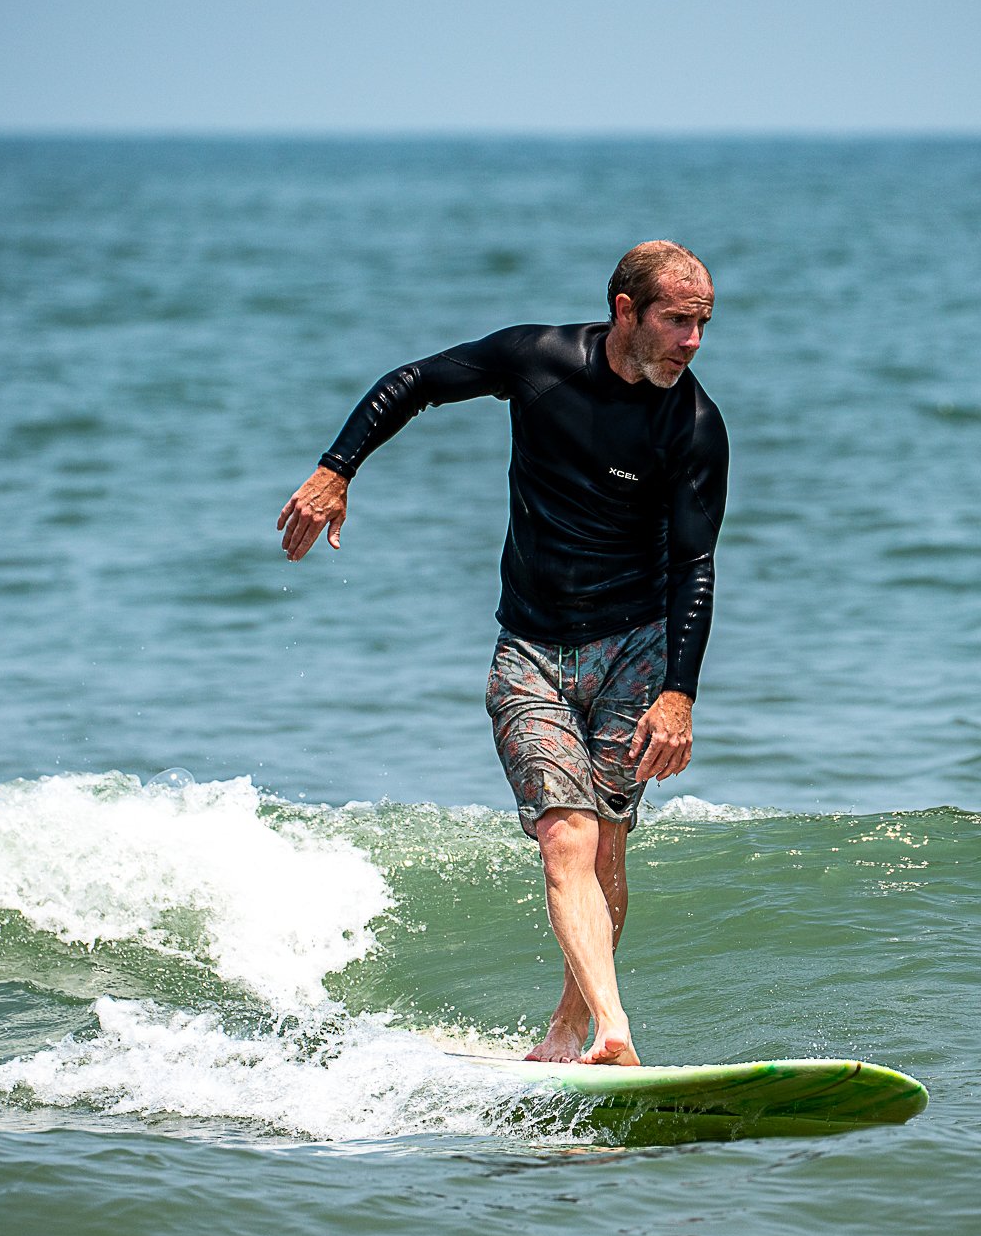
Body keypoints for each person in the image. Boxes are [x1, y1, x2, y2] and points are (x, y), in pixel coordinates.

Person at [277, 241, 728, 1065]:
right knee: (566, 836)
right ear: (625, 311)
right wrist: (337, 469)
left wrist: (679, 695)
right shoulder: (539, 360)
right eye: (677, 321)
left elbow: (695, 566)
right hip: (531, 650)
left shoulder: (694, 426)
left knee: (608, 844)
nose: (692, 342)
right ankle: (618, 1031)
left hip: (635, 650)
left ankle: (569, 1030)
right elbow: (415, 382)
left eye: (703, 324)